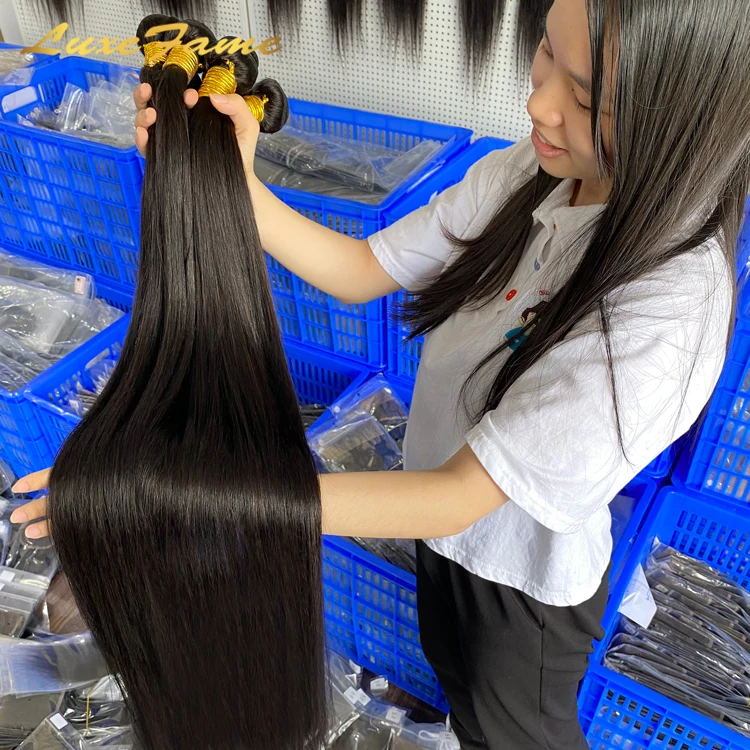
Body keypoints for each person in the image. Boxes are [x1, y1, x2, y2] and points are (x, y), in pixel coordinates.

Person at [10, 0, 750, 746]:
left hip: (520, 586)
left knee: (513, 726)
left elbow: (457, 498)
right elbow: (360, 269)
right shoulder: (531, 172)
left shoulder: (663, 314)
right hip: (440, 531)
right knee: (458, 684)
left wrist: (187, 502)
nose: (539, 102)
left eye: (586, 98)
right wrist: (232, 178)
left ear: (679, 121)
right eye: (546, 53)